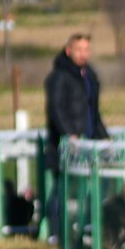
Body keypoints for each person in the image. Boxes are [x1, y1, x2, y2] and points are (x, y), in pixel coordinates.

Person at [44, 33, 108, 235]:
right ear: (68, 50)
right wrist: (68, 135)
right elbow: (56, 110)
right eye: (79, 49)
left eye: (86, 49)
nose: (83, 54)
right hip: (67, 143)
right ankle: (56, 232)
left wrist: (104, 136)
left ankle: (89, 227)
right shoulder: (60, 77)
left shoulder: (89, 77)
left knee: (100, 182)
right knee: (63, 188)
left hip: (89, 141)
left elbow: (93, 112)